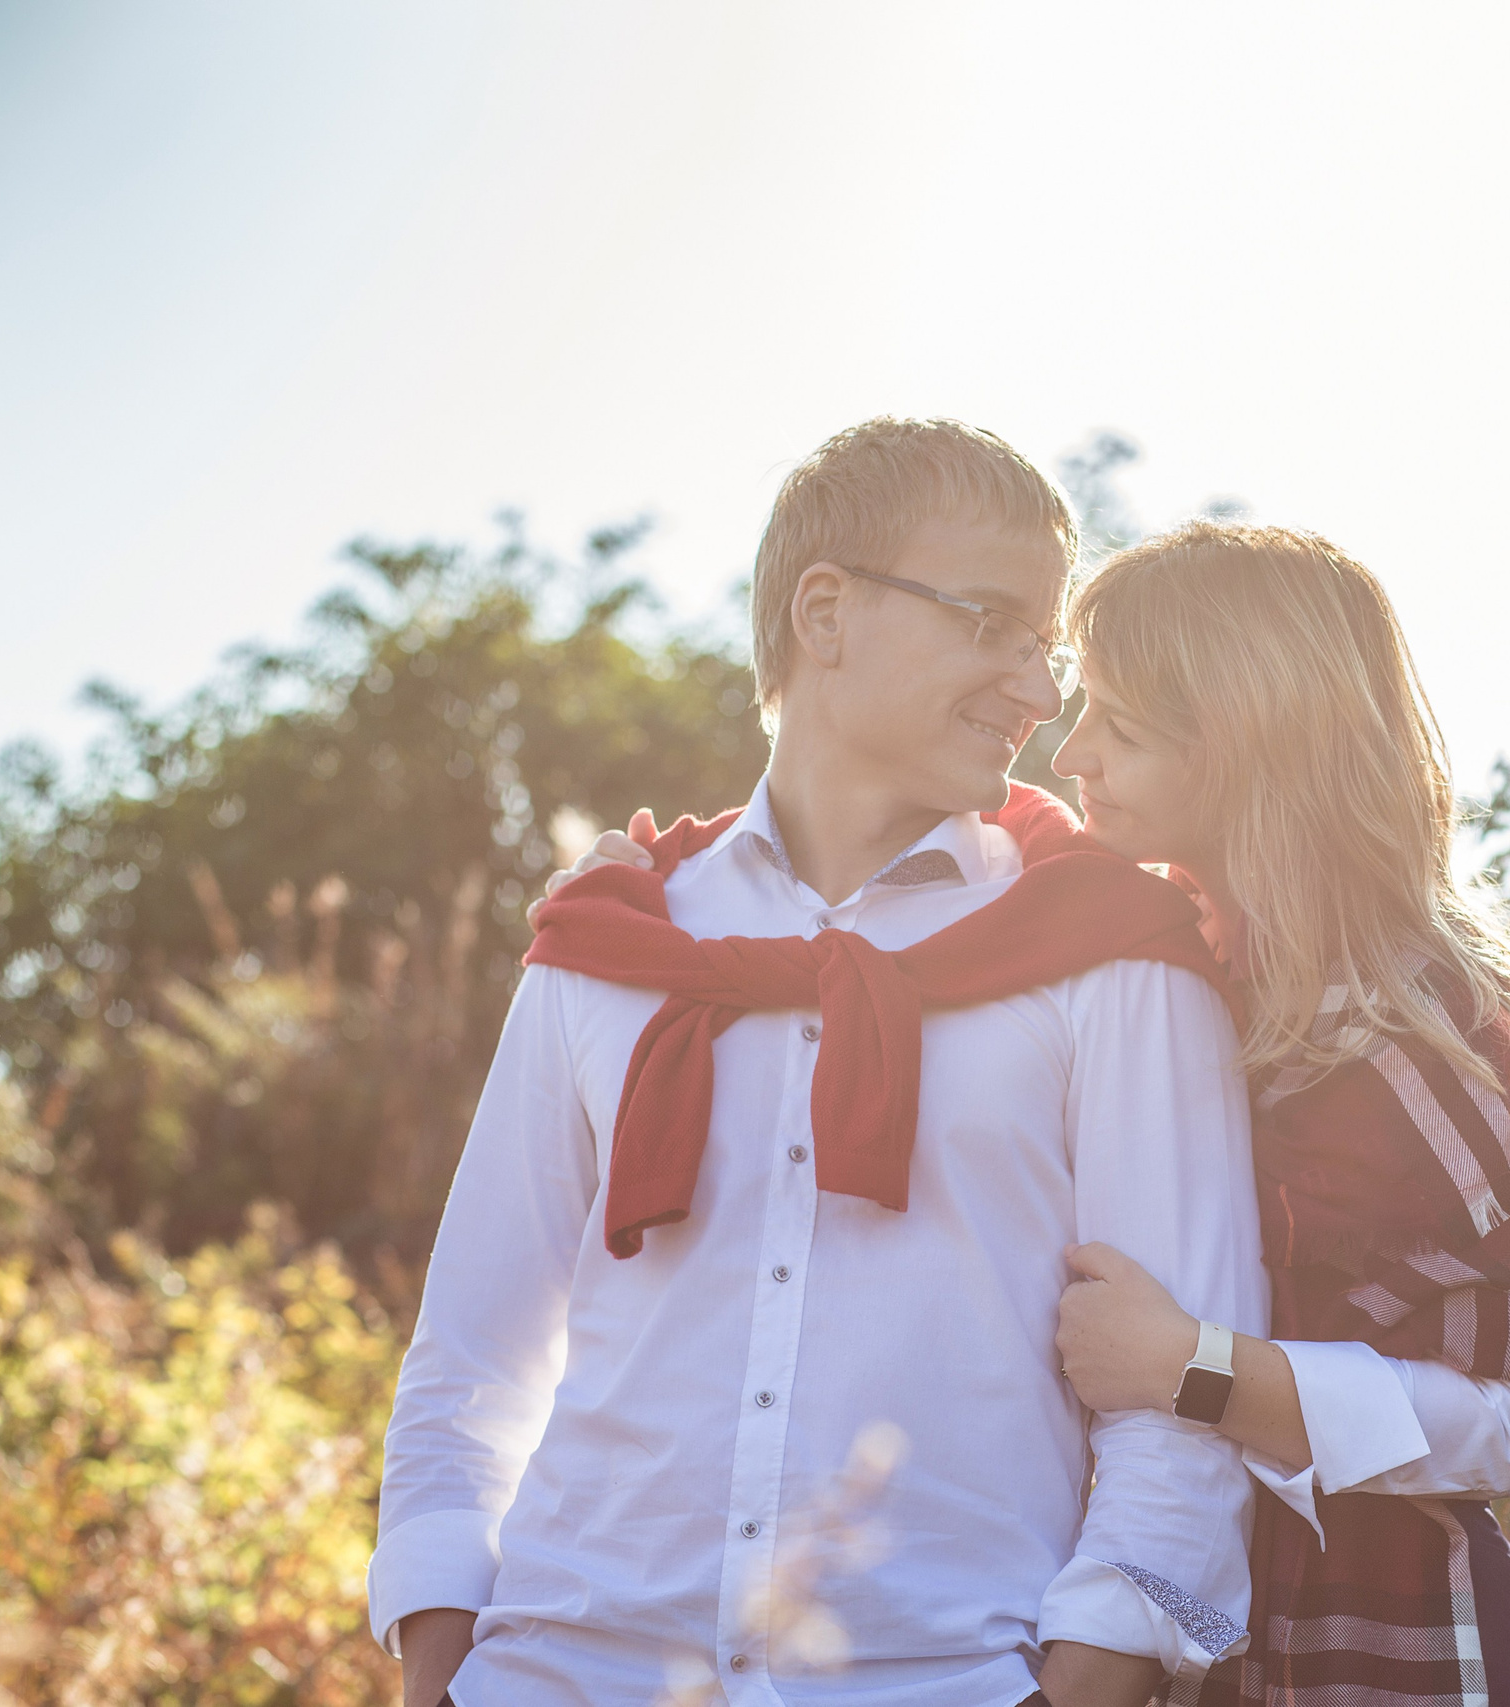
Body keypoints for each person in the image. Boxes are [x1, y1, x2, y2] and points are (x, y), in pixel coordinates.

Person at [560, 521, 1510, 1705]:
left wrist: (1195, 1369)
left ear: (1246, 753)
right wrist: (650, 891)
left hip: (1381, 1649)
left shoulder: (1398, 1039)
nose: (1071, 755)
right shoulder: (1173, 960)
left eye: (1122, 727)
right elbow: (959, 881)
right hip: (1197, 1638)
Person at [371, 418, 1269, 1707]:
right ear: (827, 613)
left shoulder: (1110, 949)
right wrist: (441, 1666)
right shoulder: (608, 944)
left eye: (1045, 647)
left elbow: (1179, 1414)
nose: (1035, 690)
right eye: (992, 623)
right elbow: (470, 1360)